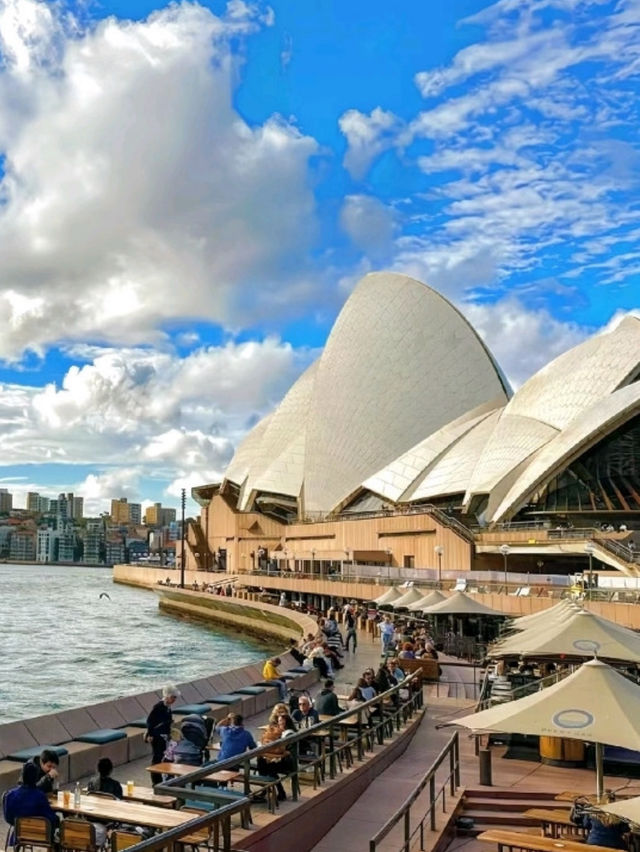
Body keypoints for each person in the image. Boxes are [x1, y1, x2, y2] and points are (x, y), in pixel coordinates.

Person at [3, 762, 59, 843]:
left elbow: (8, 818)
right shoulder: (40, 796)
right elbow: (51, 818)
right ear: (36, 777)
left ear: (22, 776)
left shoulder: (9, 795)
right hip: (41, 835)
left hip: (19, 834)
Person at [146, 683, 180, 784]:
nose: (174, 700)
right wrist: (151, 734)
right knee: (157, 758)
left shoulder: (167, 706)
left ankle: (164, 778)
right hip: (157, 736)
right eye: (173, 697)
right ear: (168, 696)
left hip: (164, 735)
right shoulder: (159, 706)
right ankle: (156, 782)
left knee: (165, 756)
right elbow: (150, 721)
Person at [256, 723, 293, 802]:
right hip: (270, 762)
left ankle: (273, 790)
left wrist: (271, 755)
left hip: (283, 763)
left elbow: (284, 753)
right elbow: (261, 752)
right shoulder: (266, 737)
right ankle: (269, 789)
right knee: (262, 761)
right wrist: (270, 754)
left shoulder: (283, 738)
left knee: (270, 768)